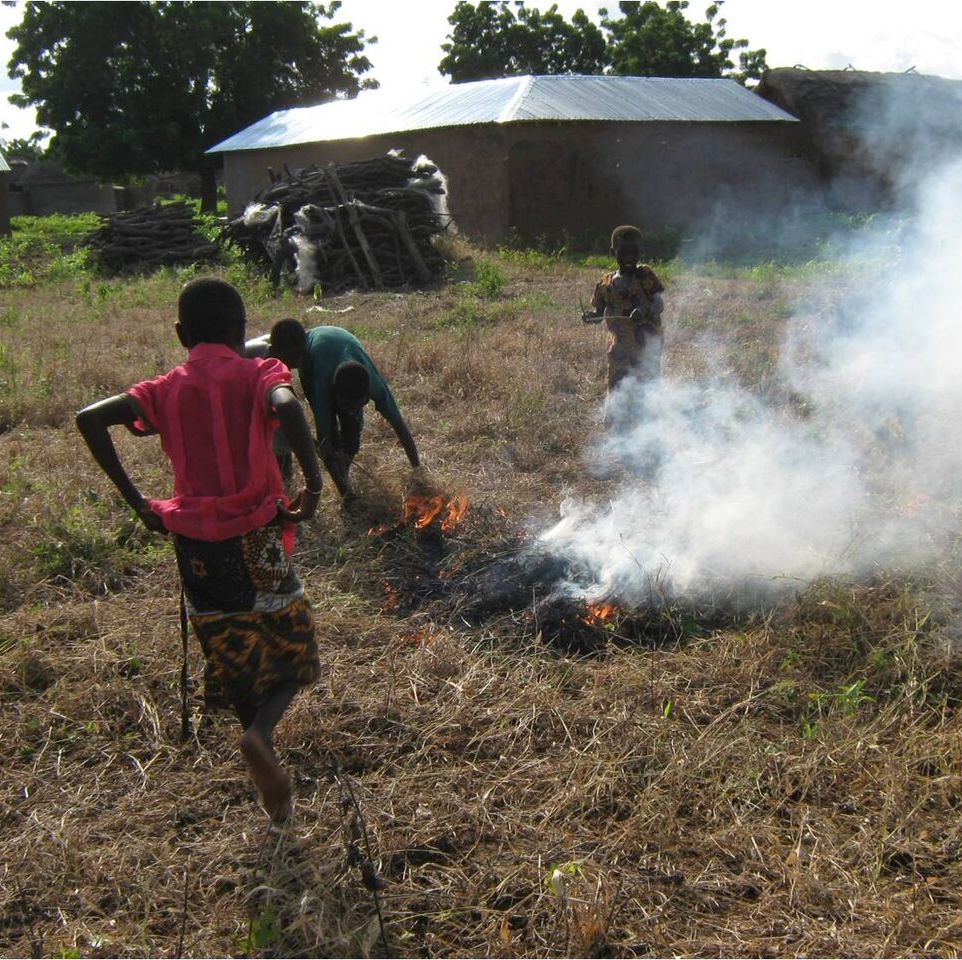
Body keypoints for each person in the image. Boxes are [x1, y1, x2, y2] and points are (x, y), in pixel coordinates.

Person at [75, 277, 324, 822]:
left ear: (181, 333)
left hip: (194, 546)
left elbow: (89, 418)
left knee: (229, 644)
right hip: (255, 534)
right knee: (296, 652)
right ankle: (261, 735)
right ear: (242, 331)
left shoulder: (165, 388)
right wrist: (313, 480)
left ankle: (265, 770)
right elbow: (287, 405)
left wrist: (140, 503)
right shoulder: (258, 372)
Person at [298, 325, 420, 502]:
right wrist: (346, 495)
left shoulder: (375, 386)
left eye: (358, 407)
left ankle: (344, 470)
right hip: (313, 354)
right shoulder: (321, 387)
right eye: (346, 406)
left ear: (366, 396)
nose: (352, 411)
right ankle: (343, 485)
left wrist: (418, 472)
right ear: (333, 393)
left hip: (343, 342)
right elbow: (324, 446)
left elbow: (400, 427)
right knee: (330, 439)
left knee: (352, 436)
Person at [583, 224, 666, 423]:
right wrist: (590, 317)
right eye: (624, 253)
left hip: (646, 349)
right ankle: (621, 439)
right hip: (619, 351)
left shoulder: (644, 275)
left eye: (634, 253)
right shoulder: (605, 284)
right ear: (613, 253)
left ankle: (650, 433)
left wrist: (645, 311)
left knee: (646, 392)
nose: (629, 258)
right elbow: (599, 313)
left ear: (641, 253)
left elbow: (659, 302)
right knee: (618, 391)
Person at [244, 318, 308, 480]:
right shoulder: (248, 361)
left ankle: (283, 475)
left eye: (302, 354)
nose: (299, 361)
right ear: (273, 350)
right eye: (295, 356)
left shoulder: (282, 354)